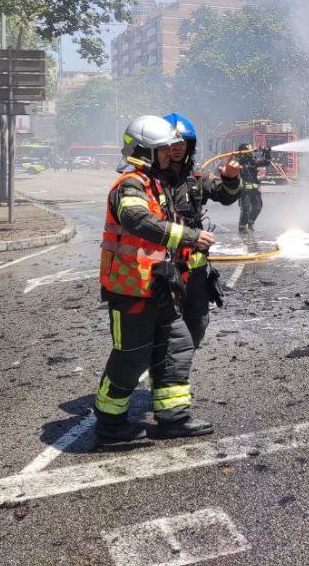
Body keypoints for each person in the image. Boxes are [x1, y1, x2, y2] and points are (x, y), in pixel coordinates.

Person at [93, 114, 215, 442]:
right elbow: (136, 219)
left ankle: (173, 417)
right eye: (161, 150)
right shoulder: (130, 184)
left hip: (158, 287)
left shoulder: (154, 183)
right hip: (130, 287)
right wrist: (189, 237)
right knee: (131, 355)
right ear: (144, 151)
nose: (168, 154)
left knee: (177, 344)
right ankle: (109, 423)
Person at [161, 113, 242, 349]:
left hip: (195, 271)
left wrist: (230, 178)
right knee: (163, 327)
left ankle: (175, 374)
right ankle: (166, 377)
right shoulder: (149, 180)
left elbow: (225, 196)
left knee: (196, 325)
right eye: (171, 143)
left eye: (182, 143)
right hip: (160, 271)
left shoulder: (197, 180)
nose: (177, 148)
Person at [236, 142, 270, 241]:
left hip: (254, 190)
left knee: (258, 207)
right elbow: (232, 165)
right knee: (246, 210)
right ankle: (242, 230)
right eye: (249, 152)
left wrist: (267, 153)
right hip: (244, 191)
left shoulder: (253, 161)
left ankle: (250, 224)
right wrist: (238, 156)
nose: (252, 154)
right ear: (244, 153)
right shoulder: (238, 162)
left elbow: (266, 162)